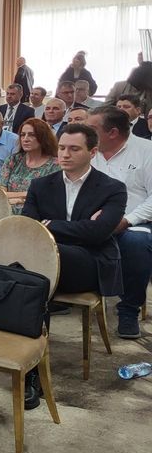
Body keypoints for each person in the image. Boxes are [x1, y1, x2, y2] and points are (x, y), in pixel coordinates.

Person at [22, 123, 127, 407]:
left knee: (31, 273)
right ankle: (32, 369)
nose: (65, 154)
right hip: (46, 263)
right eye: (61, 148)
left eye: (74, 149)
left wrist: (51, 225)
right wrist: (77, 228)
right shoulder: (41, 185)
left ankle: (30, 372)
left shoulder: (113, 189)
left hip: (89, 264)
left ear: (92, 152)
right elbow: (30, 227)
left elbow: (99, 233)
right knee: (36, 283)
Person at [88, 106, 152, 340]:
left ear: (112, 132)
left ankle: (128, 310)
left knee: (136, 243)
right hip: (94, 219)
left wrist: (126, 220)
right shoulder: (90, 152)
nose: (86, 132)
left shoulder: (146, 151)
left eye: (91, 128)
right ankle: (67, 295)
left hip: (136, 221)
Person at [0, 118, 60, 215]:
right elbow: (0, 193)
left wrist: (14, 199)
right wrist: (24, 197)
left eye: (32, 135)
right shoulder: (13, 160)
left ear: (43, 137)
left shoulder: (55, 165)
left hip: (37, 214)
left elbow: (47, 198)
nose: (25, 139)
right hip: (6, 211)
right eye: (22, 135)